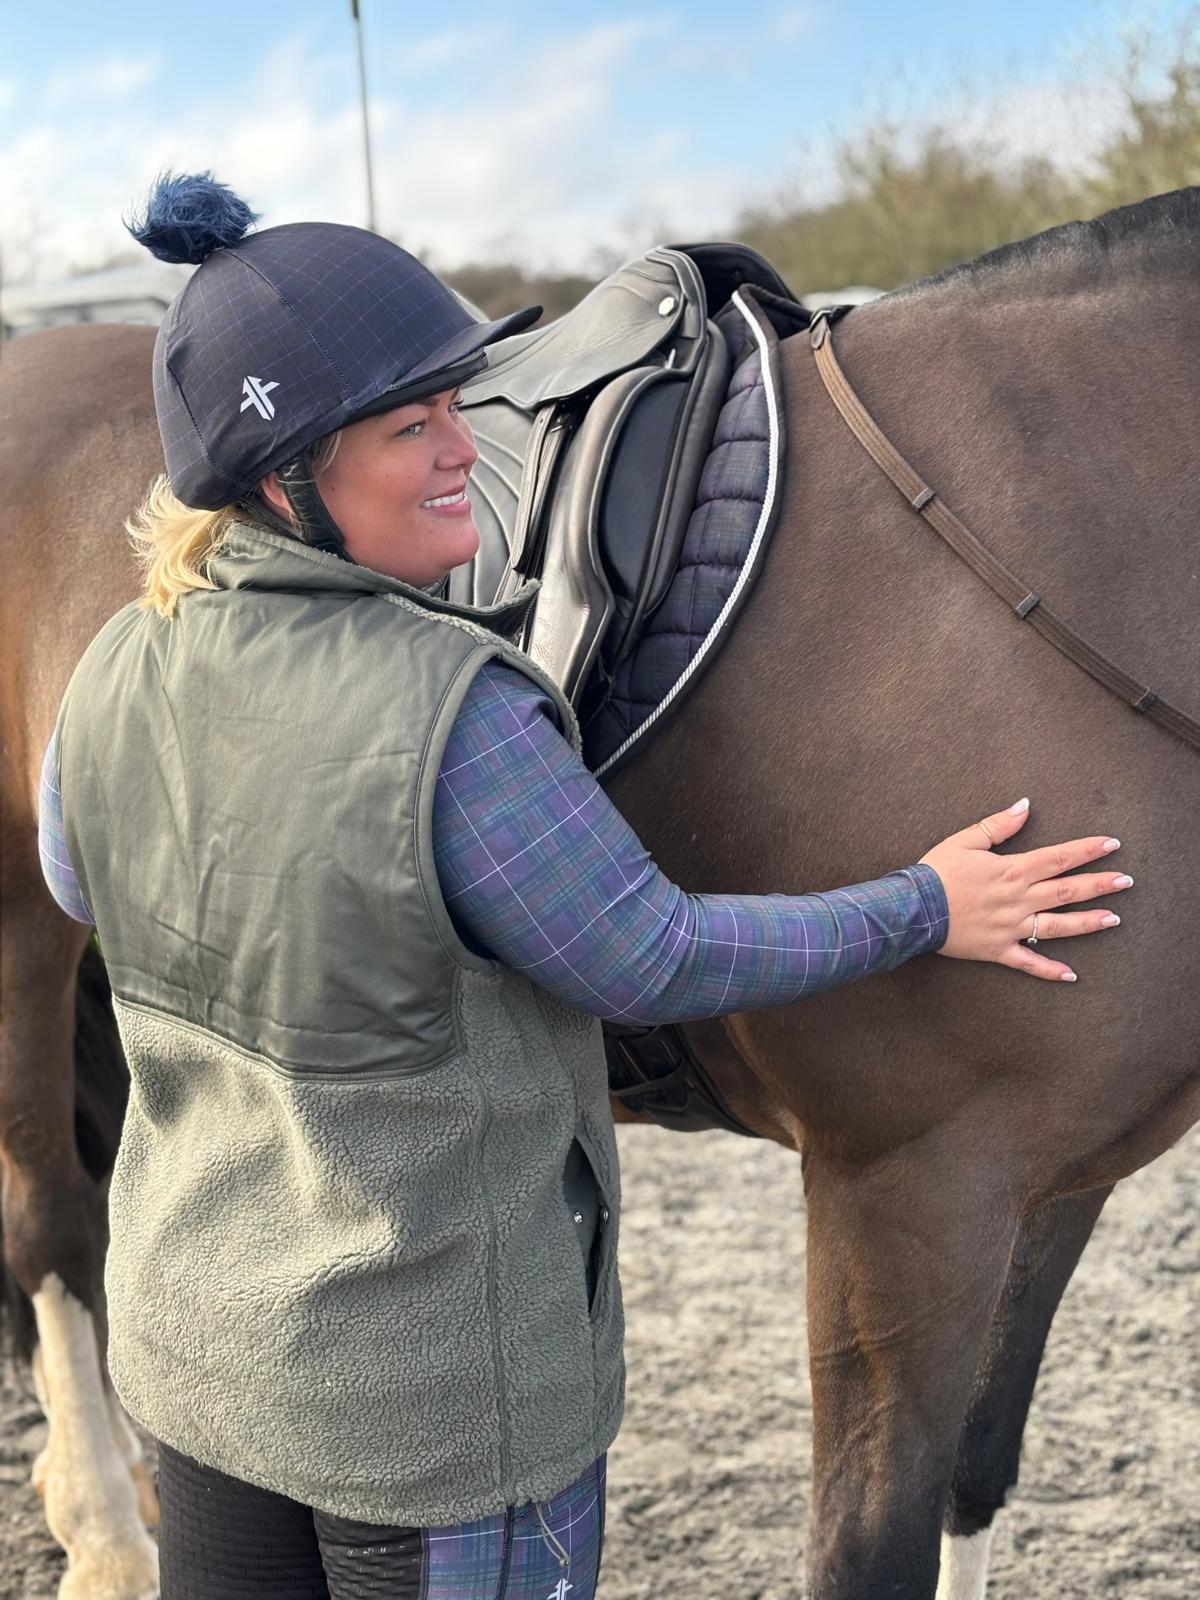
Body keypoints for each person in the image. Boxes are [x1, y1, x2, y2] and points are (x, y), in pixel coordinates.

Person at [38, 174, 1131, 1600]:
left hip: (198, 1364)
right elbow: (651, 962)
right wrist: (928, 904)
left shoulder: (114, 666)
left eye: (455, 406)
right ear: (280, 478)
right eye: (408, 426)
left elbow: (77, 870)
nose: (461, 453)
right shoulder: (454, 711)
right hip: (433, 1415)